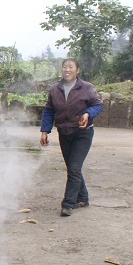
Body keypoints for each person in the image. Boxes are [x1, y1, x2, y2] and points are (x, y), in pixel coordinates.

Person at [40, 58, 103, 217]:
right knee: (73, 168)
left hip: (83, 133)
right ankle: (83, 198)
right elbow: (49, 110)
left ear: (77, 70)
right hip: (64, 133)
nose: (67, 70)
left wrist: (88, 113)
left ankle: (68, 204)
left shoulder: (86, 88)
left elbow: (98, 105)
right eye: (64, 67)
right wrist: (45, 131)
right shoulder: (55, 89)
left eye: (71, 67)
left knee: (74, 168)